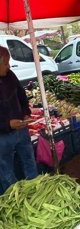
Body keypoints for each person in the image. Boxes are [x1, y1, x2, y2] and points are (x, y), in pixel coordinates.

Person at [0, 46, 38, 189]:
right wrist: (7, 124)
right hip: (2, 137)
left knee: (29, 160)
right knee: (6, 170)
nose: (9, 66)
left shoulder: (10, 75)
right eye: (6, 63)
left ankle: (35, 188)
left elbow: (21, 94)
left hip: (21, 129)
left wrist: (26, 112)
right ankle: (15, 199)